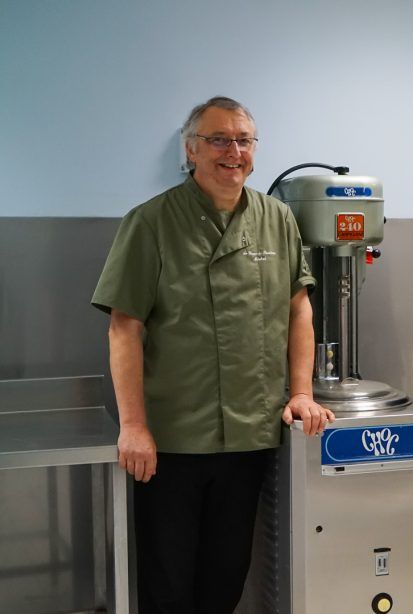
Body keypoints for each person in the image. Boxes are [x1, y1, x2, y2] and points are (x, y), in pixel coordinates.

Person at [91, 96, 334, 614]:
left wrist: (302, 393)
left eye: (244, 140)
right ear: (191, 150)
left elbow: (299, 310)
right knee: (168, 581)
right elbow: (124, 328)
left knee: (226, 577)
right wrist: (133, 425)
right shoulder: (151, 222)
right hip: (172, 438)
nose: (233, 151)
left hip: (249, 435)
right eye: (219, 139)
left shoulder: (277, 220)